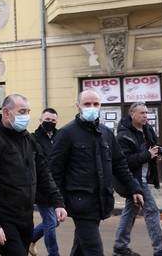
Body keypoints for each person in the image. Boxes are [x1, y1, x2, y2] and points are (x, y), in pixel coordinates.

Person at [0, 94, 66, 256]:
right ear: (6, 112)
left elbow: (43, 173)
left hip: (26, 217)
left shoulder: (29, 139)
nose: (26, 116)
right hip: (4, 219)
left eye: (28, 111)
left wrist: (58, 202)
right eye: (22, 111)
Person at [50, 90, 144, 256]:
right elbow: (54, 172)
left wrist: (134, 188)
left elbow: (119, 164)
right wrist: (57, 202)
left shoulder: (106, 133)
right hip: (79, 202)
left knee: (81, 247)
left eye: (96, 104)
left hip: (100, 200)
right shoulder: (66, 133)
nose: (92, 107)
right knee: (94, 250)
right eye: (87, 104)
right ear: (78, 106)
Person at [112, 102, 162, 256]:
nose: (146, 116)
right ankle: (160, 251)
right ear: (132, 115)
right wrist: (147, 155)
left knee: (130, 211)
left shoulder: (148, 129)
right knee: (152, 211)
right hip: (134, 181)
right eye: (142, 113)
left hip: (144, 177)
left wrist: (155, 156)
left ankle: (120, 246)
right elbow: (123, 162)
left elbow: (152, 147)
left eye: (146, 113)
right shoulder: (123, 136)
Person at [29, 108, 61, 256]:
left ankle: (30, 240)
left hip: (57, 187)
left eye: (53, 120)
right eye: (47, 120)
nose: (50, 123)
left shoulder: (60, 136)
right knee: (50, 221)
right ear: (40, 121)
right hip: (42, 187)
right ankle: (54, 254)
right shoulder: (33, 139)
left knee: (55, 221)